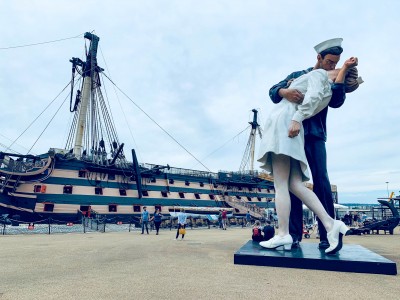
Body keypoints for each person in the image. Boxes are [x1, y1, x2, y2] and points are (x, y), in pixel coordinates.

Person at [258, 54, 361, 254]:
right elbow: (273, 91)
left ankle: (298, 234)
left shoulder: (326, 80)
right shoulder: (302, 74)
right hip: (298, 130)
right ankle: (308, 231)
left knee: (311, 182)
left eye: (336, 63)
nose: (333, 65)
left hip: (304, 131)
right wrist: (285, 91)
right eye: (331, 62)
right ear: (319, 57)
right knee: (293, 185)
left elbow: (336, 100)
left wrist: (341, 77)